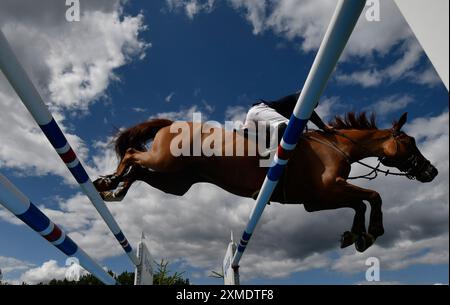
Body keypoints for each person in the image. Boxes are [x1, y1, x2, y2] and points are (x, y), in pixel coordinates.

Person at [243, 92, 333, 143]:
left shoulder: (293, 110)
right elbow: (308, 107)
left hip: (256, 118)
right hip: (261, 111)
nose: (311, 108)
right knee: (288, 126)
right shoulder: (300, 96)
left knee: (279, 132)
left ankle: (249, 133)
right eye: (312, 105)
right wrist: (323, 126)